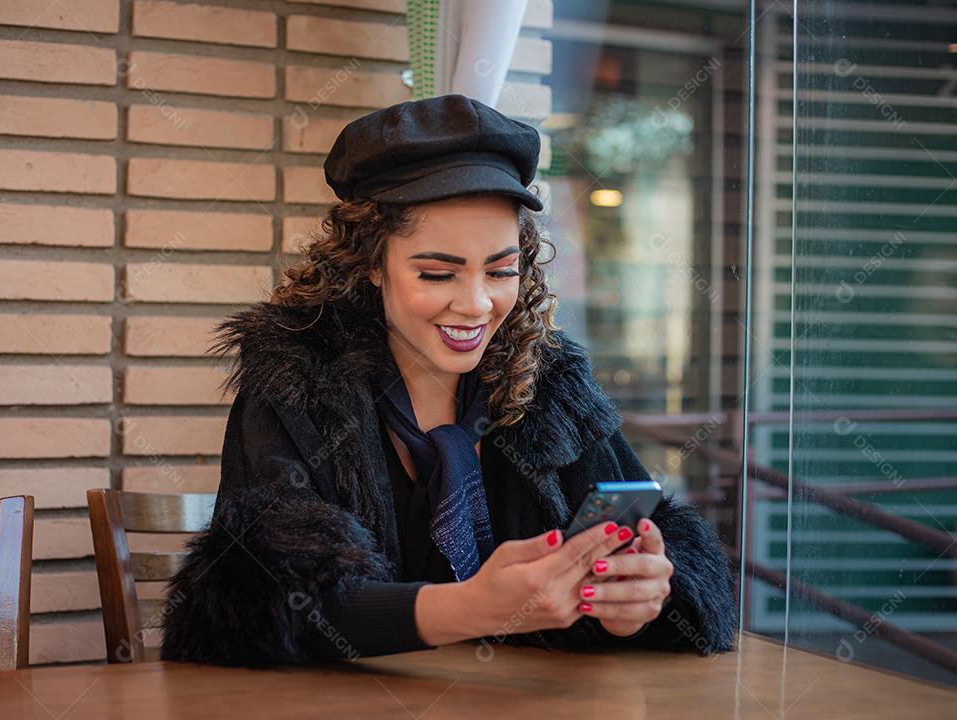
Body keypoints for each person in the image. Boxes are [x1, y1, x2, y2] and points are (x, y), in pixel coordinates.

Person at [160, 93, 736, 667]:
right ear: (369, 264)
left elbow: (672, 551)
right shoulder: (296, 383)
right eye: (437, 273)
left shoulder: (552, 385)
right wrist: (469, 608)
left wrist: (642, 598)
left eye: (502, 270)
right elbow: (256, 603)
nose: (477, 304)